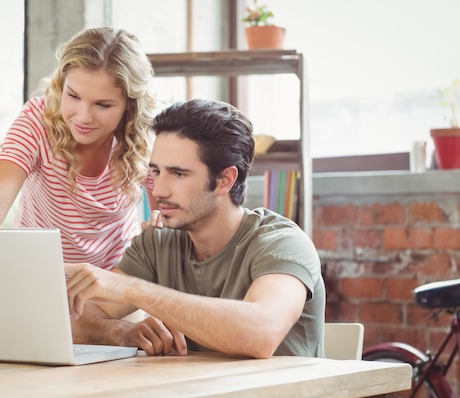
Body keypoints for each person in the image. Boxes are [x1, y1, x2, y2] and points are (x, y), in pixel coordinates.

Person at [65, 98, 326, 359]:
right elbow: (76, 315)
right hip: (198, 395)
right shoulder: (157, 243)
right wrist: (120, 332)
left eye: (179, 174)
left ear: (224, 180)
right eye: (156, 171)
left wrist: (134, 289)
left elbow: (261, 333)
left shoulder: (282, 243)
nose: (158, 190)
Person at [0, 27, 157, 271]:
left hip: (113, 283)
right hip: (35, 273)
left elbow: (164, 223)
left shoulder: (147, 138)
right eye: (73, 96)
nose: (83, 117)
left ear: (130, 106)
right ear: (61, 84)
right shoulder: (38, 120)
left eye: (103, 105)